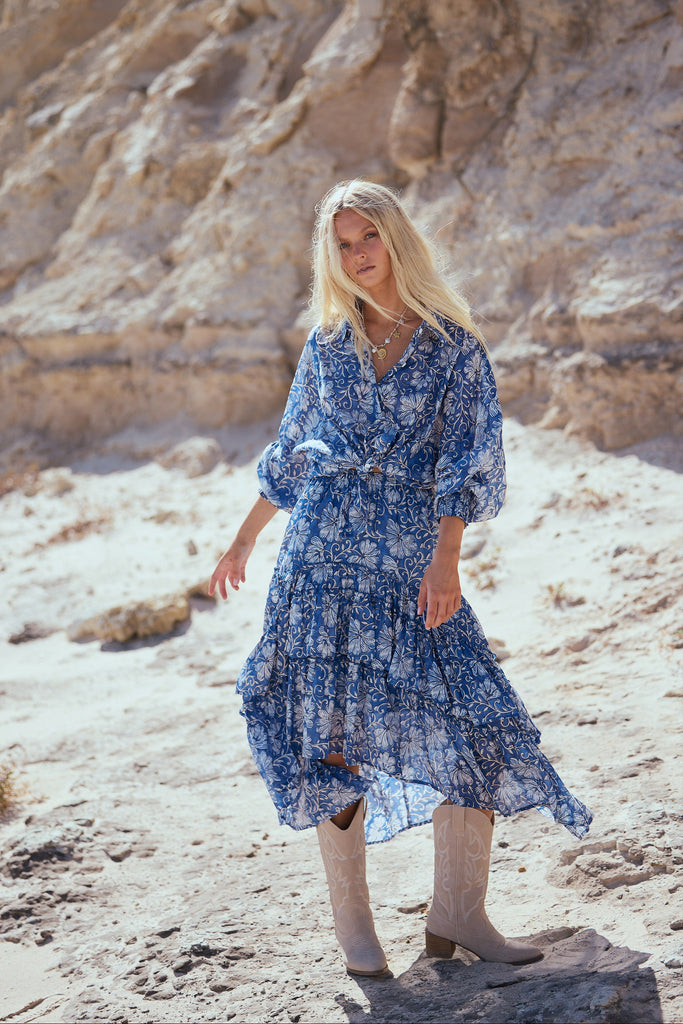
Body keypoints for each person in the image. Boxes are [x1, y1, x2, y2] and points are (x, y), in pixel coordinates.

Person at [209, 179, 592, 978]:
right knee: (332, 742)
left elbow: (467, 457)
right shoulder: (324, 346)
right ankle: (356, 931)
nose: (357, 256)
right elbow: (290, 456)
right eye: (343, 245)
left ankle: (458, 914)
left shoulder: (453, 346)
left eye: (368, 239)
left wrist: (445, 556)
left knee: (474, 723)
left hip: (411, 565)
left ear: (395, 240)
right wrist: (240, 542)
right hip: (319, 562)